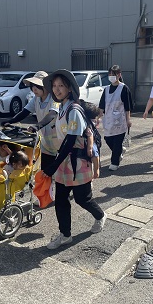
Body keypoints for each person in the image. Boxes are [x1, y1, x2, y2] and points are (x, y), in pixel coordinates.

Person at [42, 69, 106, 250]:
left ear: (69, 88)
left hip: (77, 163)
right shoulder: (62, 108)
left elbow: (71, 141)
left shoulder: (74, 109)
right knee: (61, 200)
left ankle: (100, 216)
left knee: (82, 199)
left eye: (61, 85)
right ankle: (65, 234)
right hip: (64, 162)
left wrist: (54, 164)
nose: (57, 89)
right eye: (54, 86)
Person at [2, 70, 60, 170]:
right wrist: (11, 121)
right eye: (32, 86)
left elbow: (52, 114)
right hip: (45, 139)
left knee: (56, 168)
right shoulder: (36, 99)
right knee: (45, 169)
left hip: (58, 139)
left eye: (37, 86)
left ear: (46, 86)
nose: (34, 89)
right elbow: (25, 111)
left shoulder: (54, 99)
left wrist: (36, 126)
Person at [99, 65, 133, 171]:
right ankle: (120, 151)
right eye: (109, 75)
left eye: (113, 75)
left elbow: (127, 106)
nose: (111, 77)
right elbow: (101, 106)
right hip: (108, 120)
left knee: (117, 141)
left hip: (120, 120)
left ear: (119, 75)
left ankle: (115, 162)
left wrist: (128, 119)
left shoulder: (123, 88)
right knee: (108, 139)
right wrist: (97, 117)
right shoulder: (106, 89)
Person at [80, 99, 101, 179]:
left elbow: (90, 135)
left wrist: (90, 147)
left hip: (90, 143)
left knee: (93, 151)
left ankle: (95, 170)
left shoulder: (87, 126)